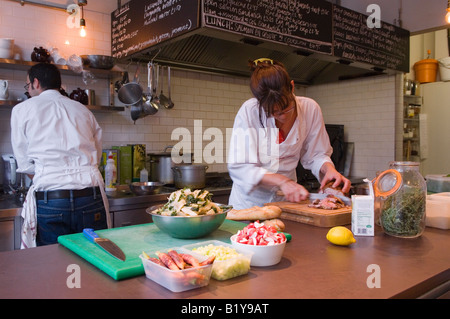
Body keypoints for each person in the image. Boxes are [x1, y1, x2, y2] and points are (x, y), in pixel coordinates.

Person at [227, 58, 351, 209]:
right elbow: (241, 167)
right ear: (259, 102)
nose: (282, 116)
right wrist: (282, 181)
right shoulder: (249, 111)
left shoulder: (310, 109)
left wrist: (328, 169)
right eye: (273, 113)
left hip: (287, 203)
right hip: (249, 205)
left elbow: (316, 155)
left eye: (286, 108)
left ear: (292, 87)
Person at [11, 62, 110, 248]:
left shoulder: (22, 110)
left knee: (54, 265)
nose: (29, 90)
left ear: (36, 83)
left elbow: (24, 163)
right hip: (90, 196)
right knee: (95, 260)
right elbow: (95, 157)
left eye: (28, 86)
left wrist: (47, 174)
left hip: (51, 200)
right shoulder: (83, 110)